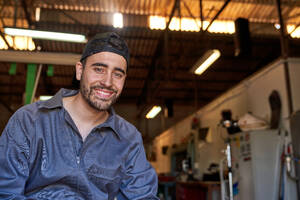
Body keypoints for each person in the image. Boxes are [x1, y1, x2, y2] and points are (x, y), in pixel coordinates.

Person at [0, 32, 159, 200]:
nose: (107, 82)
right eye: (99, 69)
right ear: (80, 71)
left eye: (117, 74)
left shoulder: (128, 138)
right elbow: (5, 192)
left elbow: (143, 196)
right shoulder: (29, 121)